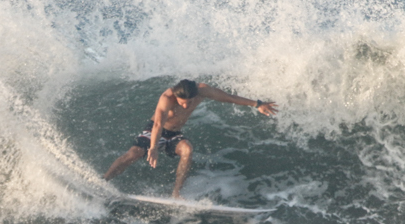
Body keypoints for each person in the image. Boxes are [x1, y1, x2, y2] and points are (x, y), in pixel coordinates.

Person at [103, 79, 277, 198]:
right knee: (134, 153)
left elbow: (229, 98)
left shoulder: (203, 90)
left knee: (187, 149)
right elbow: (157, 124)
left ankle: (176, 194)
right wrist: (153, 148)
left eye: (190, 102)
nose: (186, 105)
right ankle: (104, 181)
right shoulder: (167, 98)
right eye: (182, 102)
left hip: (175, 133)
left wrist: (257, 104)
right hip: (156, 130)